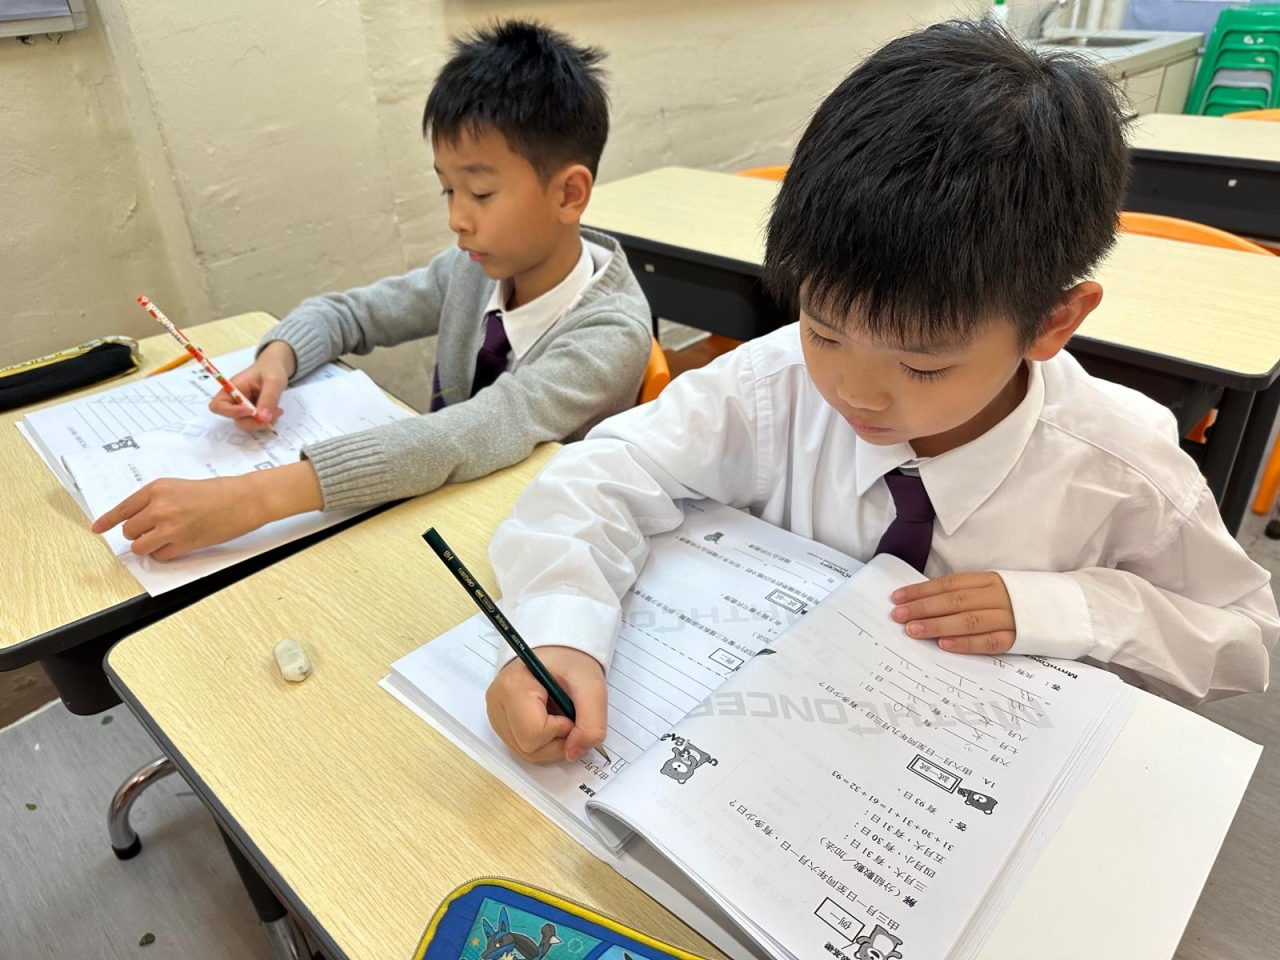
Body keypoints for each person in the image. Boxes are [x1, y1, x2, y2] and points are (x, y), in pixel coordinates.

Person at [481, 19, 1279, 765]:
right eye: (824, 330)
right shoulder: (777, 383)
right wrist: (560, 629)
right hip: (782, 753)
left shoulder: (1121, 467)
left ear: (1053, 322)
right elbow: (601, 474)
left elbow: (1245, 638)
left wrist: (1077, 609)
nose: (853, 393)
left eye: (923, 367)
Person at [92, 21, 653, 561]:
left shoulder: (609, 335)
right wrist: (278, 359)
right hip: (443, 511)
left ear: (569, 194)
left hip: (535, 543)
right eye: (447, 190)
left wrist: (253, 498)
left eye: (480, 194)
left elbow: (478, 430)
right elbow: (351, 314)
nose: (457, 219)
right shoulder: (471, 271)